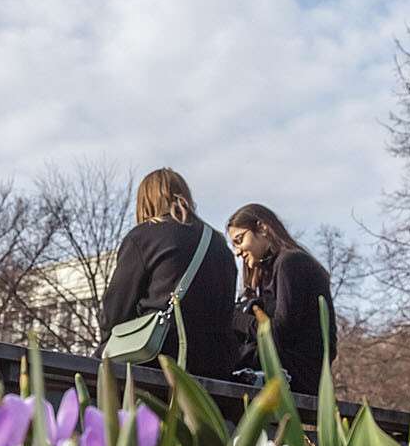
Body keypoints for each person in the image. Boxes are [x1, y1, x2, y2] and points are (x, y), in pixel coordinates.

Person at [98, 168, 239, 379]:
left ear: (145, 201)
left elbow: (116, 310)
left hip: (159, 358)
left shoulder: (144, 236)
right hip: (216, 365)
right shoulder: (219, 243)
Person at [225, 203, 338, 394]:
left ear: (262, 228)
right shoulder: (268, 272)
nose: (237, 252)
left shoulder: (290, 263)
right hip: (283, 366)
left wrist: (233, 318)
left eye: (240, 240)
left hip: (299, 373)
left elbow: (280, 332)